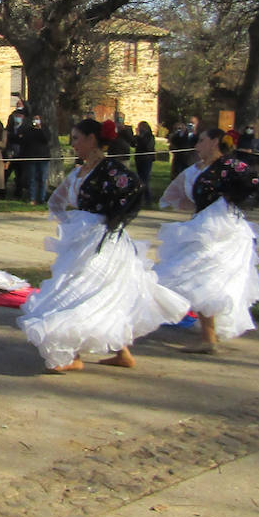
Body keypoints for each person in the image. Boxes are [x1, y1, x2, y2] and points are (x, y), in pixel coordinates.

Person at [18, 119, 189, 372]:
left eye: (76, 138)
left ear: (92, 139)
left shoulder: (111, 170)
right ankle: (122, 352)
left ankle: (75, 355)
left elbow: (134, 191)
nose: (73, 143)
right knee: (92, 289)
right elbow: (56, 200)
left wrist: (111, 219)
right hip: (82, 237)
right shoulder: (79, 171)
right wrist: (72, 223)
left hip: (105, 240)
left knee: (89, 289)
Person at [156, 129, 259, 353]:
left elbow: (256, 183)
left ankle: (208, 337)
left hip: (225, 229)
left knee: (207, 278)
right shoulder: (195, 169)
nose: (197, 145)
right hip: (204, 225)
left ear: (215, 142)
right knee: (200, 276)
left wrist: (232, 198)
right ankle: (209, 335)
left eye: (201, 140)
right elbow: (172, 196)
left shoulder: (230, 166)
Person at [20, 114, 52, 205]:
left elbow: (46, 139)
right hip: (31, 157)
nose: (36, 121)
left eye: (38, 119)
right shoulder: (28, 130)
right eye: (34, 119)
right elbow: (24, 141)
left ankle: (42, 198)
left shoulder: (45, 129)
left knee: (42, 179)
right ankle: (32, 198)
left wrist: (40, 129)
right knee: (32, 179)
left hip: (43, 157)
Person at [132, 121, 157, 202]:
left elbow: (147, 146)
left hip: (146, 159)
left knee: (145, 178)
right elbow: (133, 143)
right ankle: (142, 197)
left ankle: (148, 198)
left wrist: (140, 137)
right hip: (139, 159)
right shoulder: (139, 136)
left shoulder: (150, 136)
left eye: (141, 127)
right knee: (140, 178)